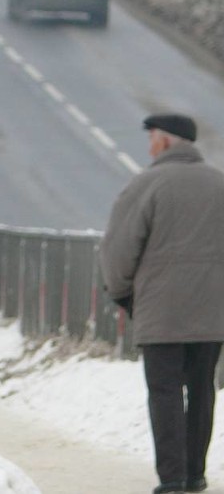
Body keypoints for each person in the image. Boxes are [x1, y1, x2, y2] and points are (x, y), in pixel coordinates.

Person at [100, 113, 224, 494]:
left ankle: (171, 478)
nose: (150, 144)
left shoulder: (146, 184)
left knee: (165, 390)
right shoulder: (220, 184)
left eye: (153, 137)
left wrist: (121, 292)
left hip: (161, 310)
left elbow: (119, 248)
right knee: (202, 388)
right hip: (212, 311)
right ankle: (195, 474)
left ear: (167, 141)